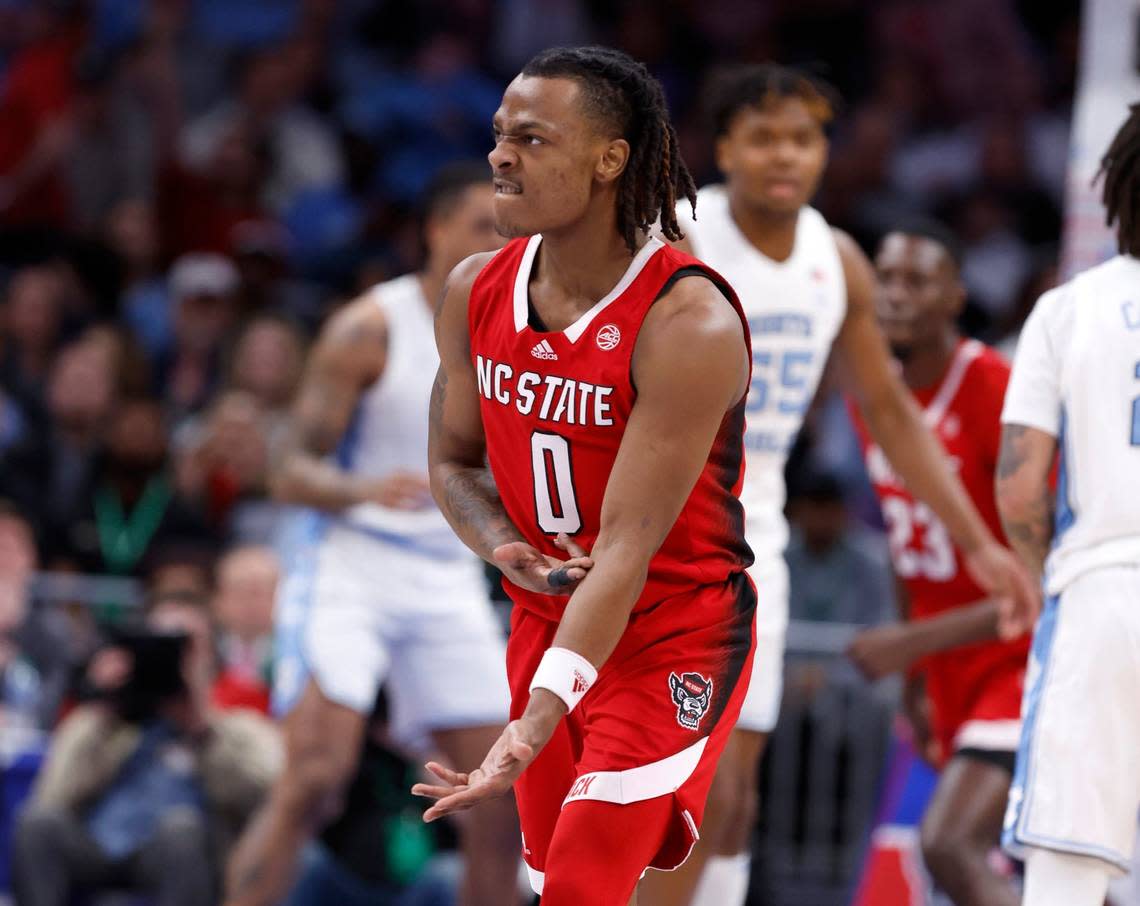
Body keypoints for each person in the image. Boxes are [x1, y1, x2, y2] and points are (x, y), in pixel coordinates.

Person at [643, 64, 1038, 906]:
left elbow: (892, 414)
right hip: (669, 534)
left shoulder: (836, 256)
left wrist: (979, 544)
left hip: (761, 534)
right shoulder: (681, 235)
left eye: (803, 137)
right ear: (726, 149)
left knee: (736, 801)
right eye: (763, 136)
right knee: (682, 791)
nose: (784, 155)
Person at [415, 45, 758, 906]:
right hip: (544, 617)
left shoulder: (688, 323)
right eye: (499, 134)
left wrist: (533, 722)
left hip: (671, 630)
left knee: (581, 884)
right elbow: (454, 462)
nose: (499, 155)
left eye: (531, 139)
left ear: (611, 160)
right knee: (554, 885)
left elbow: (626, 551)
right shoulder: (472, 289)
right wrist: (501, 544)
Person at [222, 161, 518, 906]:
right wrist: (362, 490)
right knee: (315, 780)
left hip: (445, 574)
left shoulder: (519, 332)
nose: (499, 238)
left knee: (501, 799)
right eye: (482, 223)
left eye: (508, 225)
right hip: (349, 560)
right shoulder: (369, 327)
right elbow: (285, 466)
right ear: (434, 229)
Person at [844, 222, 1029, 905]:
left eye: (915, 281)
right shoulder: (874, 397)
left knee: (950, 845)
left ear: (955, 297)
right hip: (949, 664)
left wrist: (907, 645)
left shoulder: (996, 388)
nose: (893, 295)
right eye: (884, 278)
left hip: (1022, 655)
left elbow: (1032, 579)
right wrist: (917, 675)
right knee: (1045, 871)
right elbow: (902, 545)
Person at [996, 104, 1140, 906]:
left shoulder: (1069, 307)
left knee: (1068, 865)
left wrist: (1049, 571)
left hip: (1105, 591)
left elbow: (1020, 484)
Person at [11, 591, 281, 906]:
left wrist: (201, 727)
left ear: (209, 655)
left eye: (181, 645)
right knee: (38, 825)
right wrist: (104, 708)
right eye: (158, 643)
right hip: (98, 845)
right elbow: (53, 795)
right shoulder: (111, 720)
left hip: (177, 856)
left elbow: (267, 799)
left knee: (181, 829)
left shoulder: (237, 728)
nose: (167, 657)